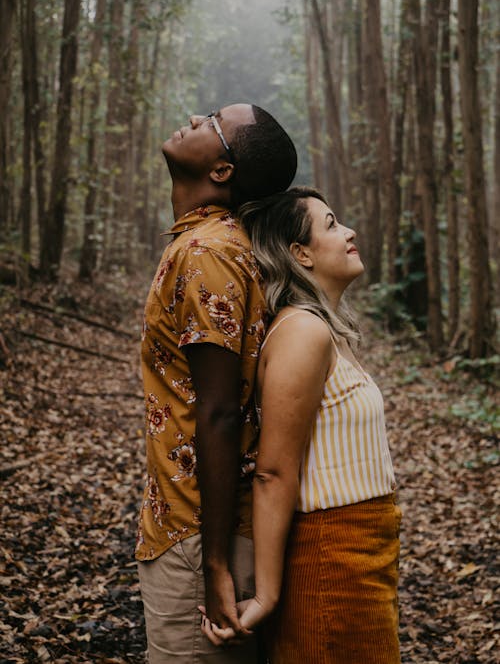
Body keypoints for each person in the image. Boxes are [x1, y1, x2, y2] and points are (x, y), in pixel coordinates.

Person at [201, 186, 401, 663]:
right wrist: (268, 596)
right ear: (300, 254)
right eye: (332, 224)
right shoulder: (303, 333)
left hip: (364, 553)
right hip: (330, 559)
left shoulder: (326, 329)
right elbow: (273, 471)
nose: (349, 231)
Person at [135, 103, 297, 664]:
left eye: (210, 121)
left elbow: (223, 411)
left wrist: (215, 563)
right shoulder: (203, 243)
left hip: (199, 532)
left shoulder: (209, 253)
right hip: (187, 523)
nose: (193, 118)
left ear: (223, 170)